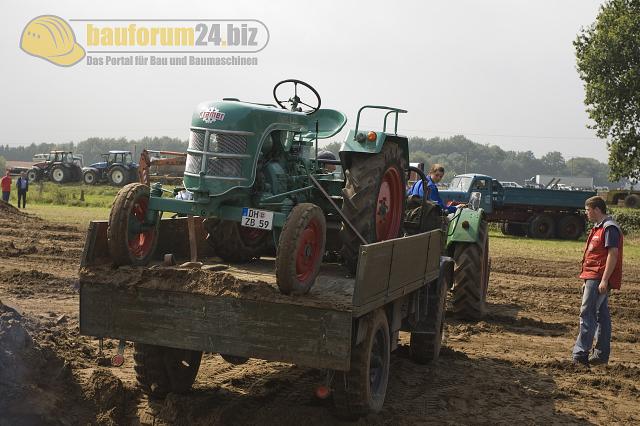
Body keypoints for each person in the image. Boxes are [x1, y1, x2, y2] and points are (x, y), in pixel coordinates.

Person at [572, 196, 624, 366]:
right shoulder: (598, 228)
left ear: (596, 209)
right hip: (592, 276)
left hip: (598, 278)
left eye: (587, 210)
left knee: (587, 314)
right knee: (602, 316)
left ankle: (580, 355)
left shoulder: (609, 228)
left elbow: (613, 254)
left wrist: (604, 280)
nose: (586, 213)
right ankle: (601, 356)